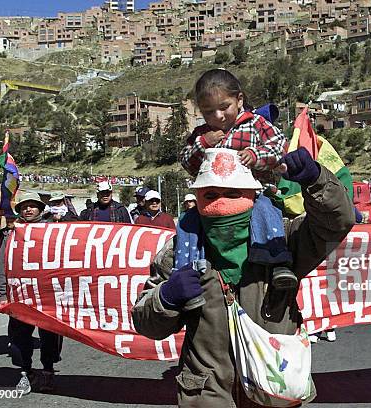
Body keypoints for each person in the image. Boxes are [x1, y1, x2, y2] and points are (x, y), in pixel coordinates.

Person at [132, 147, 355, 406]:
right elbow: (145, 323)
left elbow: (337, 222)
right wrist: (167, 297)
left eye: (233, 194)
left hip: (273, 390)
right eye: (211, 195)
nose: (221, 204)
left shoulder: (279, 240)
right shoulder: (178, 252)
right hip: (207, 394)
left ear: (251, 195)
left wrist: (315, 179)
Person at [180, 69, 295, 289]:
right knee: (188, 221)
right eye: (208, 112)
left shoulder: (256, 124)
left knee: (265, 209)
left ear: (239, 99)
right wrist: (202, 143)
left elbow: (281, 147)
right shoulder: (201, 134)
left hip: (254, 196)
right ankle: (187, 269)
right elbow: (186, 162)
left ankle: (278, 260)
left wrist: (255, 155)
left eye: (224, 107)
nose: (218, 117)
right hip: (213, 201)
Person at [0, 193, 63, 394]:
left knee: (49, 336)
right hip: (21, 294)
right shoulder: (12, 234)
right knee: (20, 337)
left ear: (41, 210)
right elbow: (2, 264)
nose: (28, 210)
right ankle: (26, 371)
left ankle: (48, 371)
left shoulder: (53, 232)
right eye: (25, 207)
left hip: (47, 295)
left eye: (33, 206)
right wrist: (2, 292)